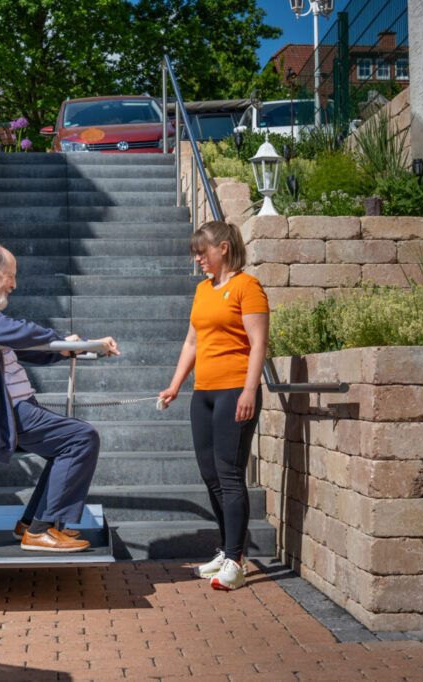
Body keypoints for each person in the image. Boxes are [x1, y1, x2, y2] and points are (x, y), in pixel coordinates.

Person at [0, 243, 119, 552]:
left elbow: (27, 348)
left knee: (69, 443)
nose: (14, 284)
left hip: (12, 408)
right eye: (10, 276)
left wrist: (79, 346)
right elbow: (17, 332)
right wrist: (61, 341)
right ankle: (41, 530)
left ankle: (30, 523)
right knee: (81, 438)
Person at [159, 221, 269, 590]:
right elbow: (192, 342)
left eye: (202, 251)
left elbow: (258, 344)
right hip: (203, 394)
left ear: (223, 248)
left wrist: (250, 391)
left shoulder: (247, 287)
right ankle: (226, 551)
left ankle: (236, 562)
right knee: (210, 475)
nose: (198, 258)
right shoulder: (203, 290)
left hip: (235, 390)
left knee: (230, 475)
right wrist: (175, 386)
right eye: (195, 252)